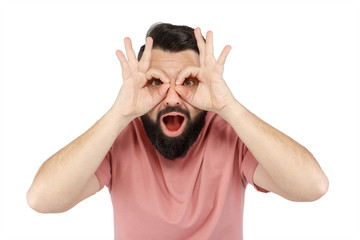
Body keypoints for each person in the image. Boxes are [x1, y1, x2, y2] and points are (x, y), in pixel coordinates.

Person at [27, 23, 329, 239]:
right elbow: (41, 199)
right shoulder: (120, 136)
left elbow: (313, 186)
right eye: (156, 82)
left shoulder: (230, 133)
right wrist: (118, 113)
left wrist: (229, 106)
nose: (172, 97)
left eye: (188, 81)